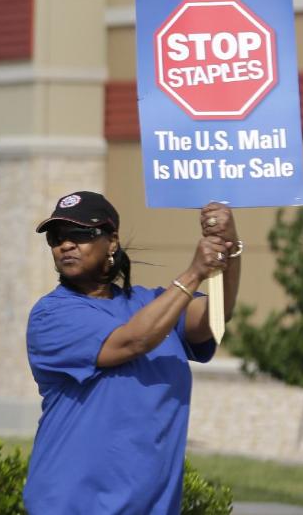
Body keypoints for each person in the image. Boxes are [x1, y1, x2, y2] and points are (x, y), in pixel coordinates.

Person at [22, 191, 241, 514]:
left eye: (80, 234)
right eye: (57, 238)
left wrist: (230, 246)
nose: (66, 245)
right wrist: (194, 272)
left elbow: (216, 315)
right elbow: (132, 342)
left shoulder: (151, 303)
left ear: (112, 242)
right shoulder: (51, 315)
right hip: (72, 505)